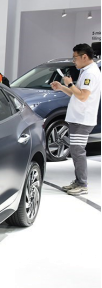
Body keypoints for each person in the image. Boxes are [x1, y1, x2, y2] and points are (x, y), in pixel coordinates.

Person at [51, 43, 101, 196]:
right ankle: (79, 181)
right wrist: (62, 87)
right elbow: (76, 94)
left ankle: (82, 183)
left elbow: (83, 96)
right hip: (79, 118)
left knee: (78, 151)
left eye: (75, 58)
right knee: (76, 150)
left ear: (84, 56)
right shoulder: (86, 71)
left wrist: (70, 83)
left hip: (82, 119)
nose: (74, 61)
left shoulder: (90, 73)